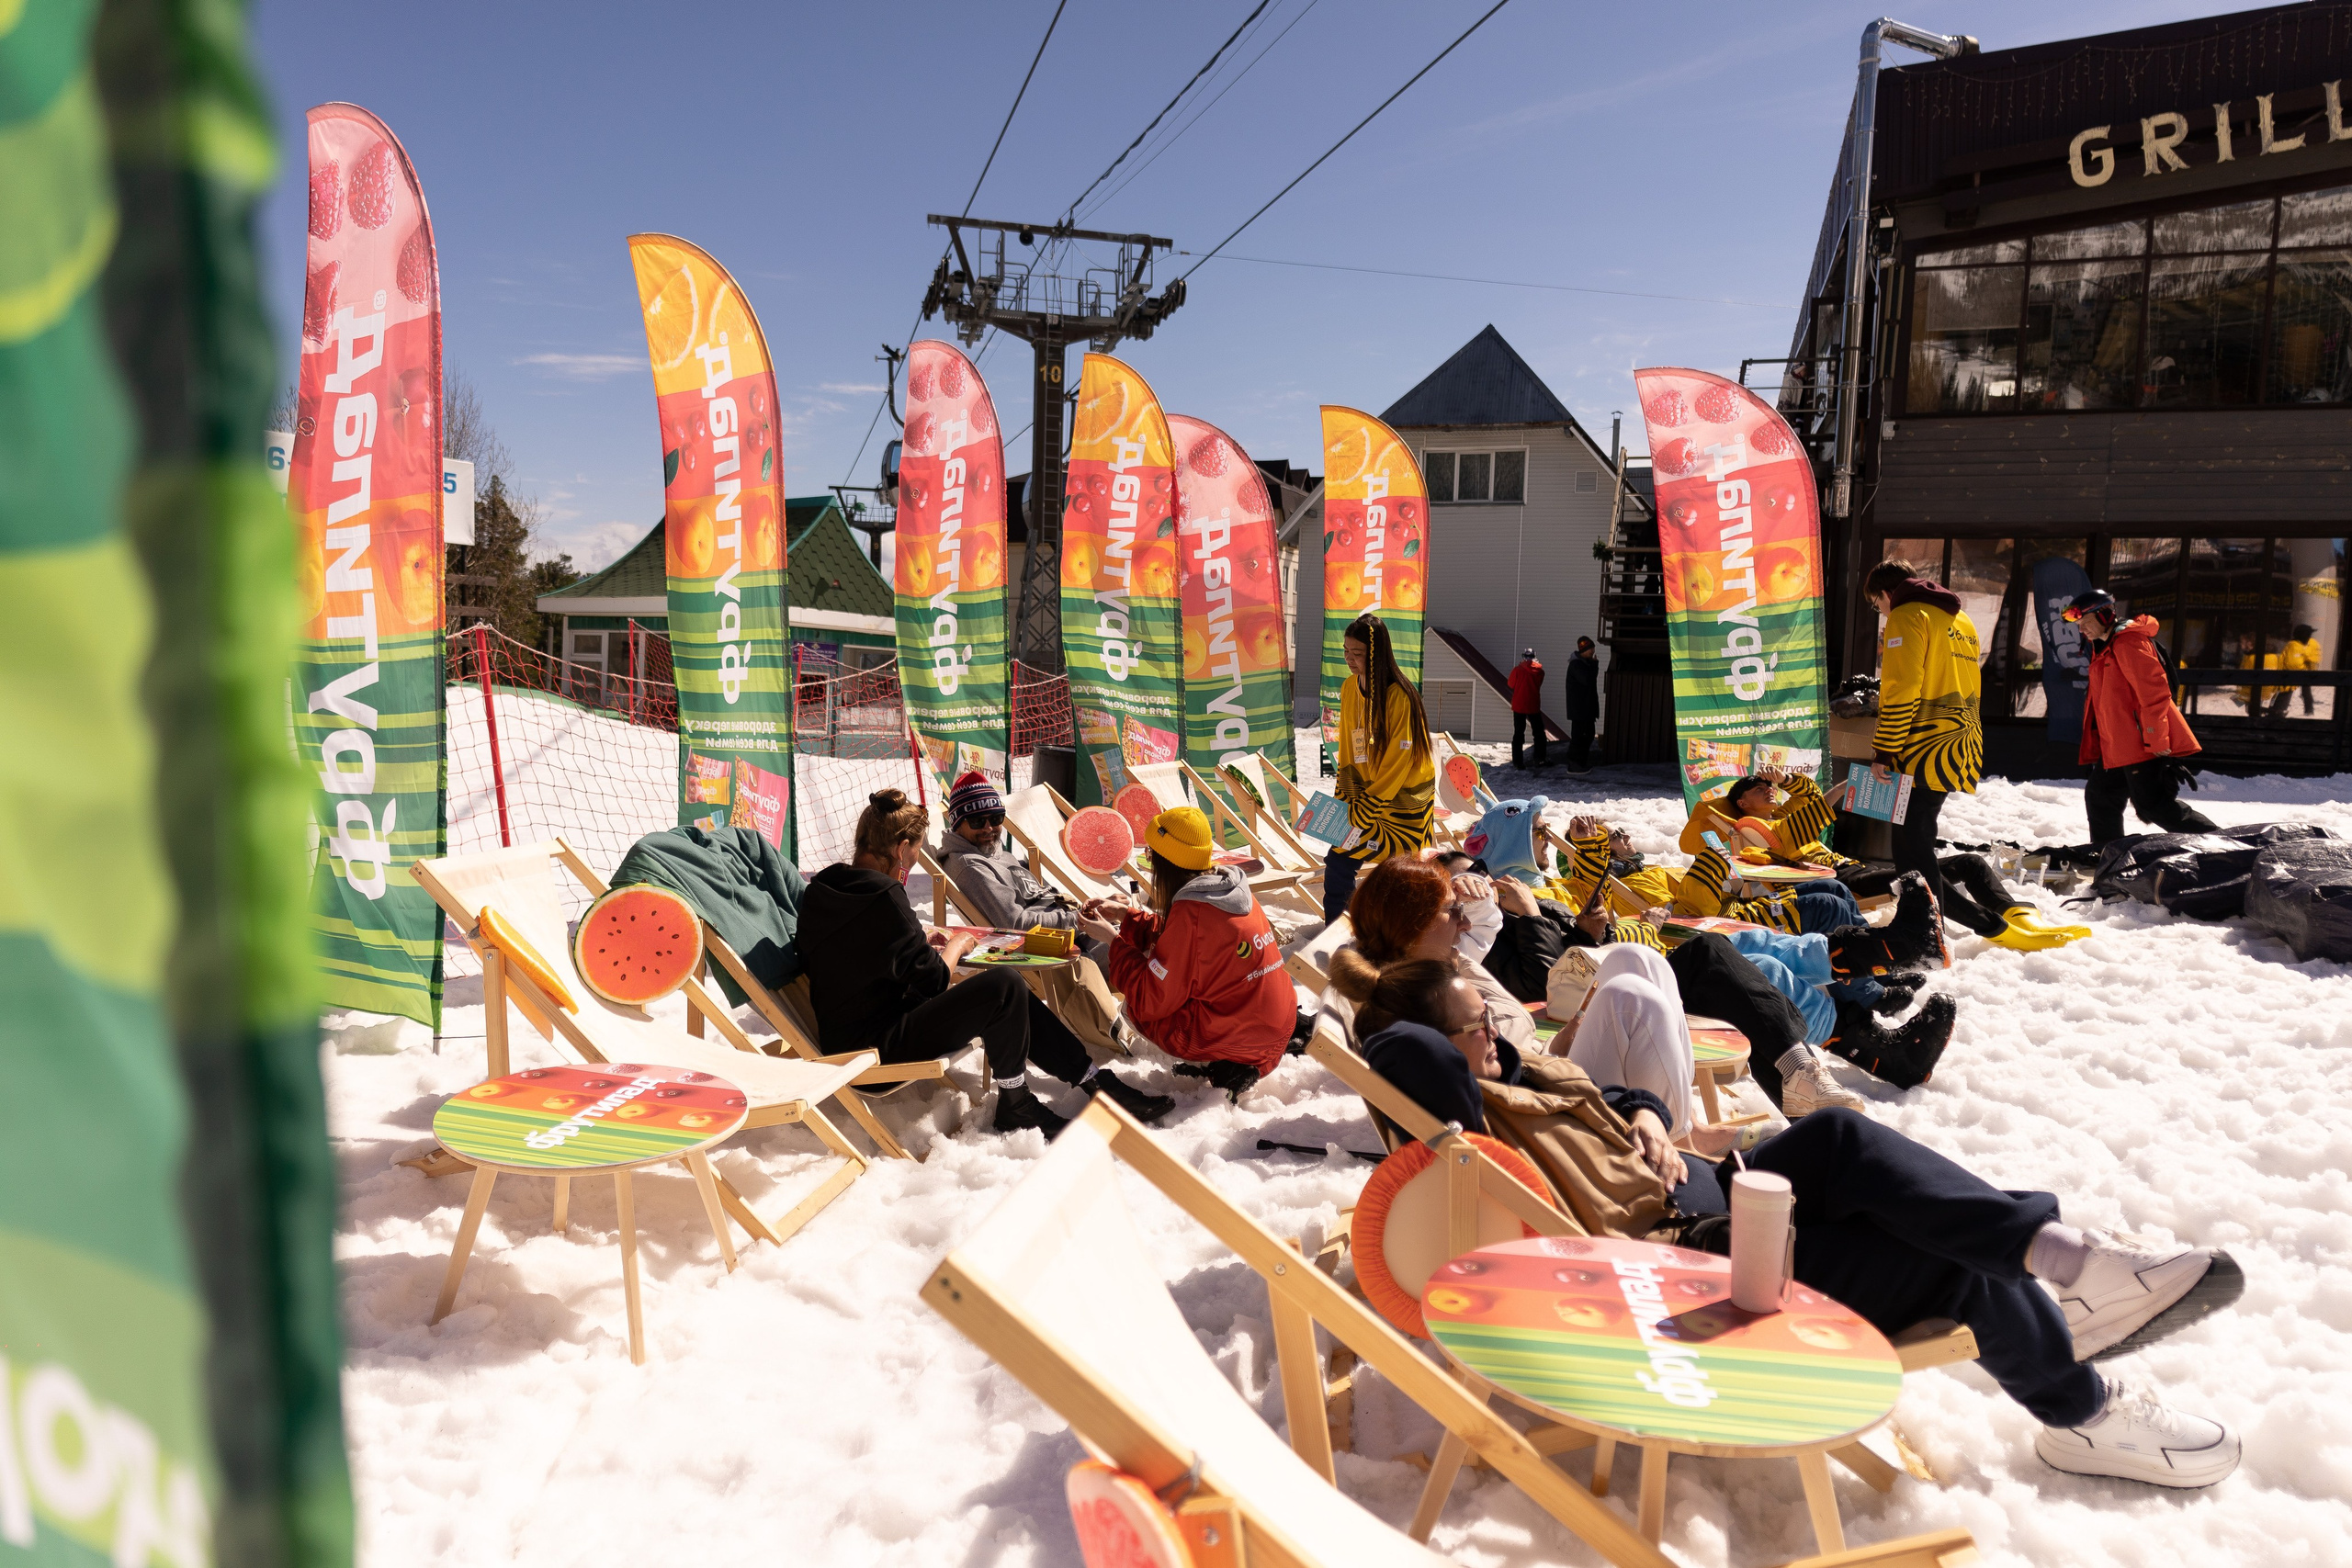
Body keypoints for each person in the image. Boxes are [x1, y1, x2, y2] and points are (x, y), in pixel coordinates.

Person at [1338, 955, 2247, 1490]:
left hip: (1711, 1197)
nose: (1494, 1034)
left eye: (1489, 1018)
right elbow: (1401, 1053)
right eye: (1472, 1028)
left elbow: (1604, 1090)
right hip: (1672, 1272)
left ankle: (2069, 1294)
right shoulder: (1462, 1116)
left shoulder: (1519, 1078)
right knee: (1919, 1232)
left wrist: (1647, 1119)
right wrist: (1391, 1014)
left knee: (1847, 1149)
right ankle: (2076, 1371)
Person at [798, 789, 1172, 1136]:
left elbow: (851, 950)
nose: (910, 865)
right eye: (912, 857)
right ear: (901, 848)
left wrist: (914, 940)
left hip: (848, 1036)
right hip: (873, 1052)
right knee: (1004, 984)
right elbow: (932, 980)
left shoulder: (824, 889)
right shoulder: (885, 897)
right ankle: (1017, 1102)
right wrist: (959, 943)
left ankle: (1094, 1081)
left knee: (1008, 993)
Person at [1091, 807, 1298, 1100]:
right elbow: (1185, 941)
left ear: (1169, 861)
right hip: (1277, 1026)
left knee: (1135, 1007)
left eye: (1151, 852)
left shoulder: (1192, 912)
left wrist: (1113, 941)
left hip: (1250, 1041)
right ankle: (1227, 1056)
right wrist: (1128, 916)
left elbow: (1152, 1000)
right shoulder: (1229, 890)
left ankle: (1219, 1061)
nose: (1148, 860)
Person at [931, 769, 1128, 1055]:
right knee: (1144, 950)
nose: (989, 827)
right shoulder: (972, 867)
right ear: (959, 823)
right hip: (1051, 948)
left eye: (996, 819)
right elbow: (1015, 924)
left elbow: (1039, 900)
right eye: (977, 821)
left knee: (1149, 936)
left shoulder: (994, 852)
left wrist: (1088, 909)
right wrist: (1079, 921)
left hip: (1071, 931)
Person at [1866, 559, 1983, 908]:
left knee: (1911, 848)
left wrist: (1884, 750)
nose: (1883, 614)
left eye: (1878, 605)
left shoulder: (1908, 615)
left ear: (1888, 594)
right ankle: (1932, 924)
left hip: (1921, 747)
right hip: (1960, 743)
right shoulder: (1961, 620)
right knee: (1919, 838)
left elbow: (1902, 688)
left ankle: (1927, 930)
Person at [2064, 590, 2218, 850]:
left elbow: (2154, 693)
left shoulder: (2128, 643)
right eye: (2078, 625)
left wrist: (2157, 739)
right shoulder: (2106, 646)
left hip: (2140, 744)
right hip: (2119, 746)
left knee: (2154, 806)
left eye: (2085, 622)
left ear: (2104, 614)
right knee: (2101, 796)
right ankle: (2107, 856)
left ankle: (2229, 846)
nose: (2082, 629)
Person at [1324, 613, 1437, 923]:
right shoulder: (1349, 688)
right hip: (1367, 794)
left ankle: (1403, 928)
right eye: (1346, 651)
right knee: (1338, 858)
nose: (1349, 659)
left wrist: (1367, 807)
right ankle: (1334, 928)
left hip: (1404, 800)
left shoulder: (1400, 696)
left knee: (1403, 868)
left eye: (1357, 653)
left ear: (1375, 655)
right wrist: (1344, 797)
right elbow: (1348, 747)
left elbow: (1398, 763)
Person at [1507, 646, 1547, 770]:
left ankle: (1518, 762)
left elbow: (1510, 684)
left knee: (1519, 733)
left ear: (1524, 657)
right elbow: (1539, 684)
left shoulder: (1517, 670)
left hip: (1519, 705)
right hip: (1533, 704)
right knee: (1539, 733)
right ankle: (1540, 759)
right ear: (1534, 657)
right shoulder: (1540, 671)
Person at [1564, 636, 1600, 773]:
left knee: (1588, 734)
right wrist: (1595, 665)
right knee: (1580, 736)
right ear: (1583, 650)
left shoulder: (1583, 663)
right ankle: (1574, 764)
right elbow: (1588, 681)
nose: (1592, 651)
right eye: (1590, 649)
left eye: (1592, 648)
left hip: (1585, 708)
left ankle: (1580, 763)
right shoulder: (1577, 665)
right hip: (1579, 709)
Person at [2278, 622, 2321, 717]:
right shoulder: (2294, 646)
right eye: (2309, 634)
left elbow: (2312, 658)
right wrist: (2306, 668)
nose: (2310, 637)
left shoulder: (2306, 644)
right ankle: (2279, 710)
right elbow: (2293, 664)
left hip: (2300, 673)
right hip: (2291, 674)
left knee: (2302, 690)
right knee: (2287, 690)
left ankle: (2308, 710)